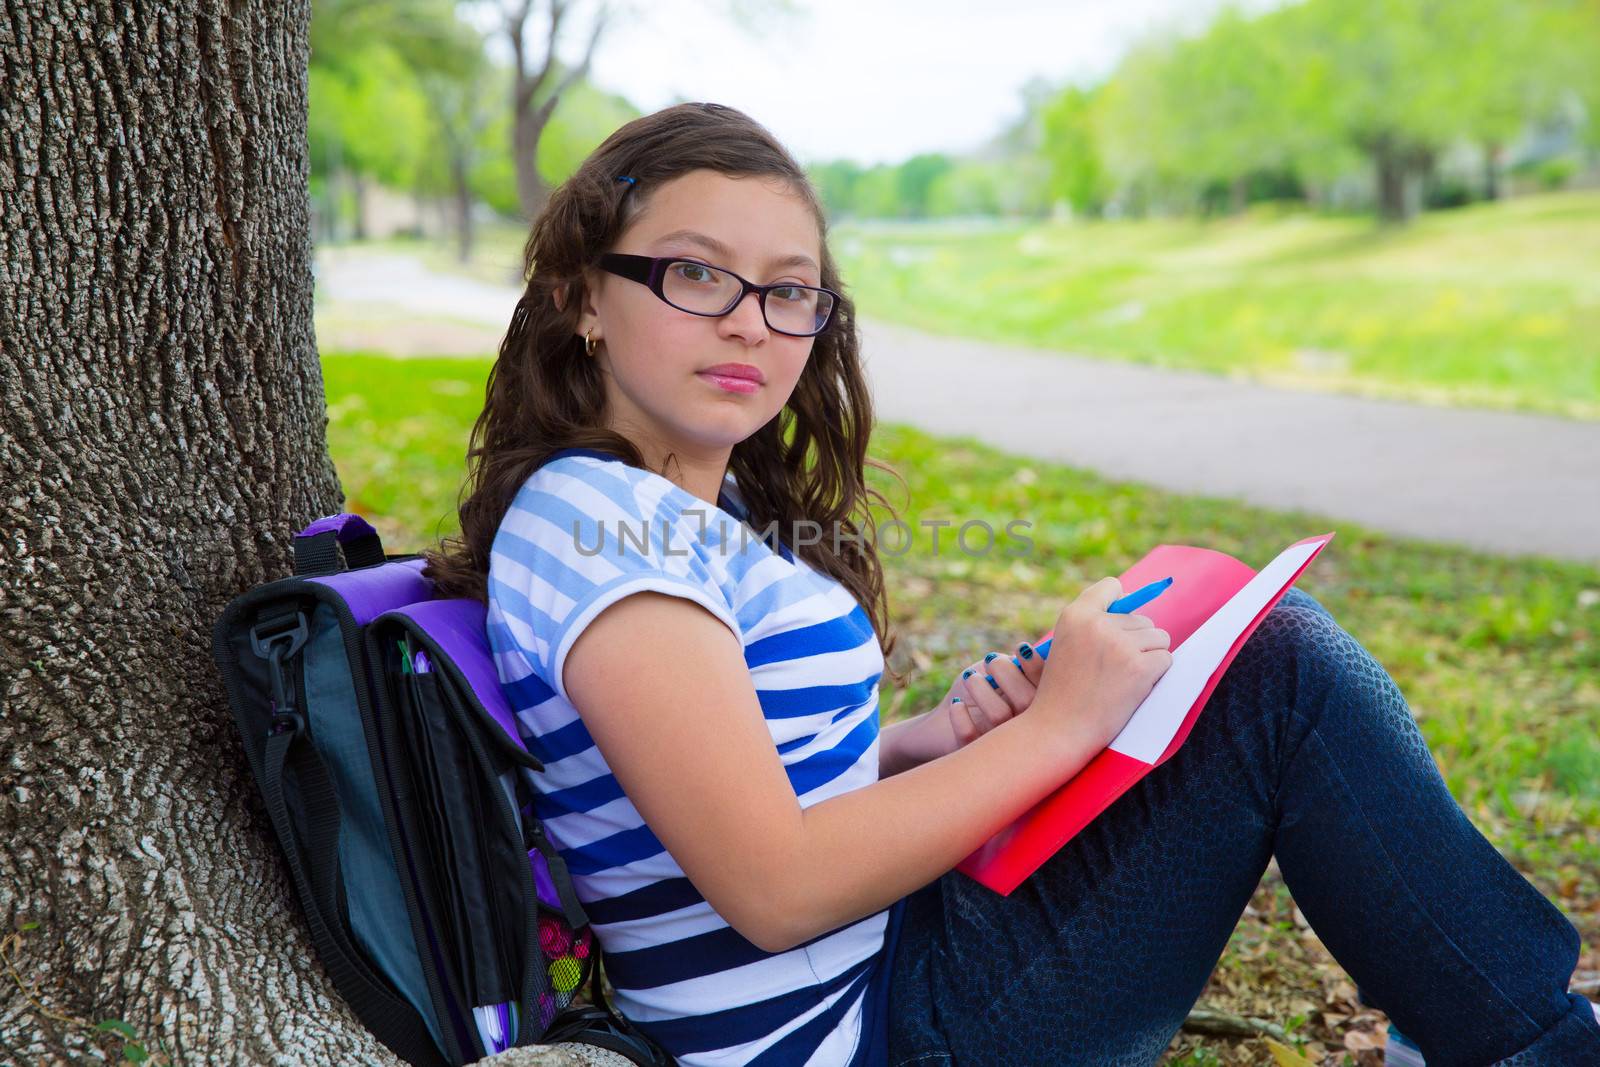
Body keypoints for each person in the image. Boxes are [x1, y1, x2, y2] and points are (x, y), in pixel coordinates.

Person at [420, 102, 1600, 1067]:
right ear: (583, 294)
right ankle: (1536, 1044)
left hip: (887, 968)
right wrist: (1065, 726)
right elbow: (771, 886)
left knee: (1243, 660)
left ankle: (1497, 1025)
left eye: (789, 290)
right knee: (1277, 673)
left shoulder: (677, 510)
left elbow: (715, 787)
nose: (752, 325)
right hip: (855, 1035)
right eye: (696, 274)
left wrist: (926, 739)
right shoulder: (605, 527)